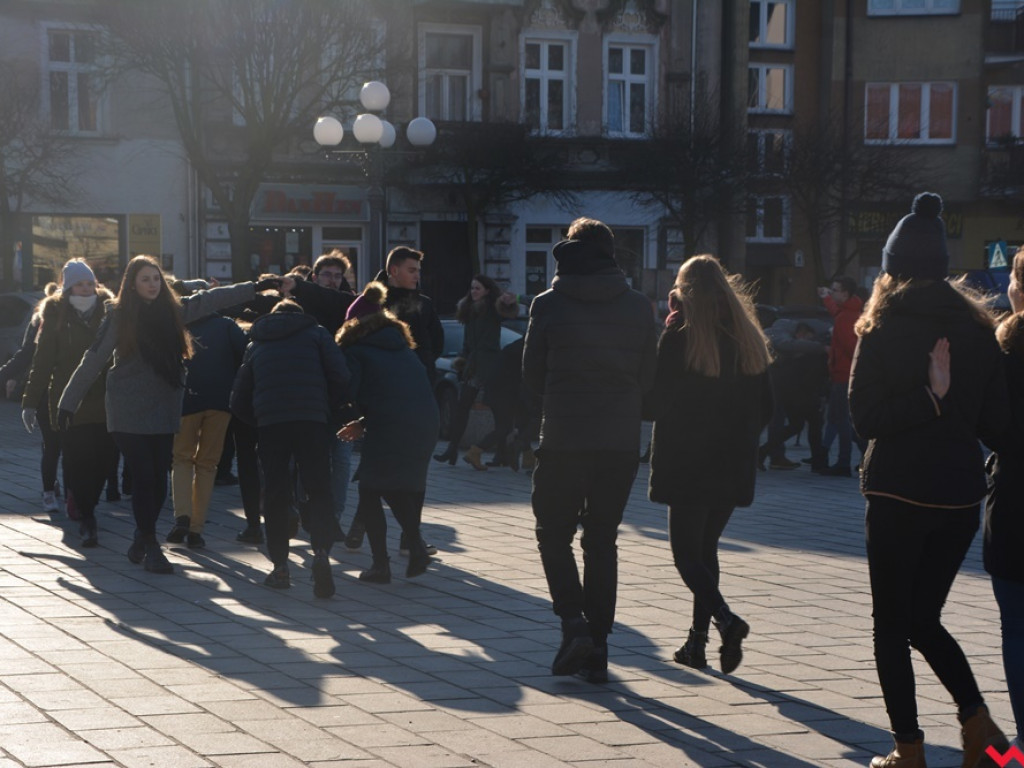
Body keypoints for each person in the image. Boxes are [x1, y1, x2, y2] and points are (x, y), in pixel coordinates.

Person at [848, 193, 1011, 768]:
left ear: (892, 266)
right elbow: (995, 425)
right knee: (924, 619)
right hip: (960, 497)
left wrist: (931, 398)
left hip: (898, 495)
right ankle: (984, 736)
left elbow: (865, 418)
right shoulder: (979, 327)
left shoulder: (883, 325)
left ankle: (909, 752)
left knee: (892, 626)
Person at [58, 255, 274, 573]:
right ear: (131, 284)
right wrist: (68, 402)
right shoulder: (119, 317)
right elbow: (94, 359)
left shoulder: (174, 311)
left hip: (164, 406)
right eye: (145, 279)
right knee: (144, 475)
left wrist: (255, 287)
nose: (152, 284)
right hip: (127, 409)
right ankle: (151, 544)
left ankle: (141, 537)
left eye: (156, 279)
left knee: (159, 479)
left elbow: (212, 297)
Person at [522, 217, 658, 683]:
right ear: (610, 254)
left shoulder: (548, 303)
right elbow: (650, 379)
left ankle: (573, 623)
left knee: (552, 534)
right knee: (601, 542)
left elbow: (531, 375)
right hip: (619, 442)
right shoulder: (639, 306)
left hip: (563, 438)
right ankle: (598, 651)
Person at [648, 255, 773, 676]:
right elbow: (767, 408)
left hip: (687, 462)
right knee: (706, 551)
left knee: (687, 556)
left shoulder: (679, 335)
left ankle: (726, 619)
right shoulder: (747, 337)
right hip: (733, 462)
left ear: (683, 292)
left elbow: (654, 404)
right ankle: (697, 644)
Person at [230, 297, 350, 597]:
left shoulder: (256, 343)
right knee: (319, 488)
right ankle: (321, 552)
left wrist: (259, 419)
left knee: (275, 493)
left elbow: (238, 397)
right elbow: (341, 376)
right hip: (312, 421)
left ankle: (280, 567)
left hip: (272, 424)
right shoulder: (318, 334)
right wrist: (328, 412)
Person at [335, 282, 440, 584]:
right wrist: (365, 422)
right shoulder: (401, 346)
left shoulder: (356, 350)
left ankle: (383, 565)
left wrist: (344, 418)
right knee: (394, 488)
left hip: (392, 425)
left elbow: (348, 393)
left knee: (372, 490)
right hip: (425, 424)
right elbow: (397, 394)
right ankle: (413, 547)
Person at [22, 263, 114, 544]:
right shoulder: (55, 312)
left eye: (90, 283)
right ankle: (88, 517)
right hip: (68, 400)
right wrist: (29, 401)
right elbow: (43, 362)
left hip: (104, 399)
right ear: (68, 286)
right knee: (77, 460)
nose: (86, 289)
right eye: (79, 284)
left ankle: (86, 502)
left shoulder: (109, 310)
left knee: (105, 461)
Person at [166, 280, 247, 549]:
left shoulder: (177, 326)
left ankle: (182, 516)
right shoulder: (226, 325)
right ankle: (196, 529)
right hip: (220, 402)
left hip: (185, 400)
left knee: (181, 459)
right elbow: (245, 356)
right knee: (207, 464)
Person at [986, 246, 1024, 754]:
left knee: (1017, 627)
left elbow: (992, 426)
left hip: (1017, 501)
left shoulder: (1007, 350)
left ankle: (1018, 746)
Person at [433, 274, 518, 469]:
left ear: (487, 291)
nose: (473, 292)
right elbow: (467, 342)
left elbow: (505, 312)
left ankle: (501, 454)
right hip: (473, 366)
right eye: (472, 288)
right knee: (462, 408)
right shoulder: (468, 311)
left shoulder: (492, 307)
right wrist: (462, 361)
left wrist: (508, 302)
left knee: (498, 409)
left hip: (491, 366)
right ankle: (452, 449)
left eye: (478, 288)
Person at [4, 284, 65, 513]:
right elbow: (26, 354)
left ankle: (72, 495)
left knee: (68, 447)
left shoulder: (79, 322)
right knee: (51, 445)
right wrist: (7, 376)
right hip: (45, 391)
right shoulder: (39, 322)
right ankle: (49, 491)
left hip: (74, 392)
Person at [758, 320, 829, 471]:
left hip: (791, 394)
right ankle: (818, 462)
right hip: (804, 395)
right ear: (801, 333)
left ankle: (763, 451)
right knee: (813, 426)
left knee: (796, 426)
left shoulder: (791, 352)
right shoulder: (809, 352)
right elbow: (816, 376)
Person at [817, 274, 865, 476]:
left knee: (842, 421)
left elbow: (851, 347)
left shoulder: (846, 317)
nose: (832, 292)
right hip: (845, 374)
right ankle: (864, 456)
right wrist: (826, 298)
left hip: (843, 375)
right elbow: (837, 312)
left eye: (834, 290)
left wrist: (832, 355)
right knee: (840, 419)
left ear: (845, 293)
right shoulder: (852, 310)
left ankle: (844, 462)